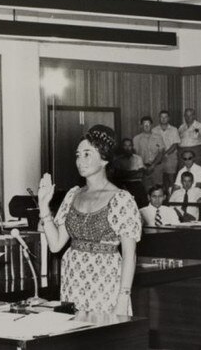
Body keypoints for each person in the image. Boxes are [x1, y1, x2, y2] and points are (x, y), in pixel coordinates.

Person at [37, 125, 141, 315]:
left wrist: (123, 299)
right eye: (78, 155)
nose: (79, 161)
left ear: (104, 159)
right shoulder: (73, 194)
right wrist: (44, 206)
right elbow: (55, 245)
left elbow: (129, 255)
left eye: (87, 154)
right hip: (72, 280)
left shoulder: (121, 199)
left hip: (105, 282)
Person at [113, 138, 148, 209]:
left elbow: (140, 174)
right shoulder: (118, 160)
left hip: (136, 184)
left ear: (132, 147)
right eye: (125, 146)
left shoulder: (138, 158)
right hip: (123, 185)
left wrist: (126, 173)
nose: (127, 148)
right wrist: (135, 172)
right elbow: (118, 175)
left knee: (142, 205)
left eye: (129, 145)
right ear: (122, 147)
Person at [133, 116, 166, 192]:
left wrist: (153, 165)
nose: (147, 126)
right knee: (144, 189)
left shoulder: (158, 137)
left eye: (148, 124)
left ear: (151, 125)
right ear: (141, 125)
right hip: (143, 168)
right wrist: (144, 167)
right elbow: (135, 155)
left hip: (156, 167)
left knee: (158, 188)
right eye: (144, 124)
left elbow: (161, 152)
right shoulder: (136, 139)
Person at [152, 110, 181, 191]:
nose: (163, 119)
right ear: (159, 118)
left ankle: (171, 197)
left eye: (165, 117)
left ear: (169, 118)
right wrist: (159, 155)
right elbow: (153, 144)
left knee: (171, 179)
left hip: (170, 156)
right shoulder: (154, 130)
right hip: (158, 157)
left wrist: (165, 154)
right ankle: (160, 195)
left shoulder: (174, 129)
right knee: (158, 179)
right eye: (161, 117)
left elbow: (175, 144)